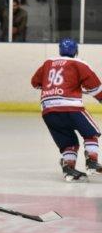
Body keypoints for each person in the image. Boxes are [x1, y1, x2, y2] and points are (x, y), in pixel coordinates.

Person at [31, 38, 102, 182]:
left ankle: (69, 169)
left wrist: (51, 89)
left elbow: (35, 83)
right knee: (91, 133)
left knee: (68, 142)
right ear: (76, 51)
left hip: (48, 110)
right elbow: (95, 87)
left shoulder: (48, 63)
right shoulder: (79, 63)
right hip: (71, 107)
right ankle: (92, 162)